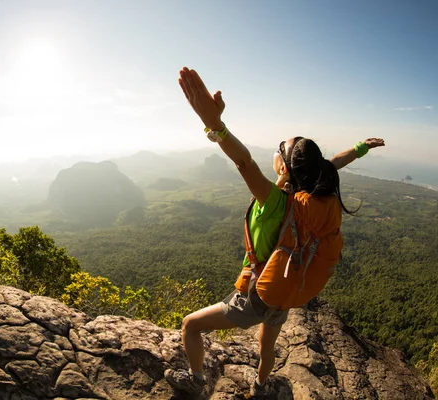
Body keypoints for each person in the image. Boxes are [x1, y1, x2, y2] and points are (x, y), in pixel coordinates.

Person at [164, 67, 385, 397]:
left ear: (283, 166)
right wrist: (360, 147)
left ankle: (195, 384)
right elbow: (334, 163)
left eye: (281, 147)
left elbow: (244, 162)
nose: (277, 149)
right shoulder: (317, 200)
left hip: (256, 295)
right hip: (287, 292)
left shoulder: (275, 201)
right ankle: (260, 386)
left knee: (190, 325)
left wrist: (215, 125)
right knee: (265, 347)